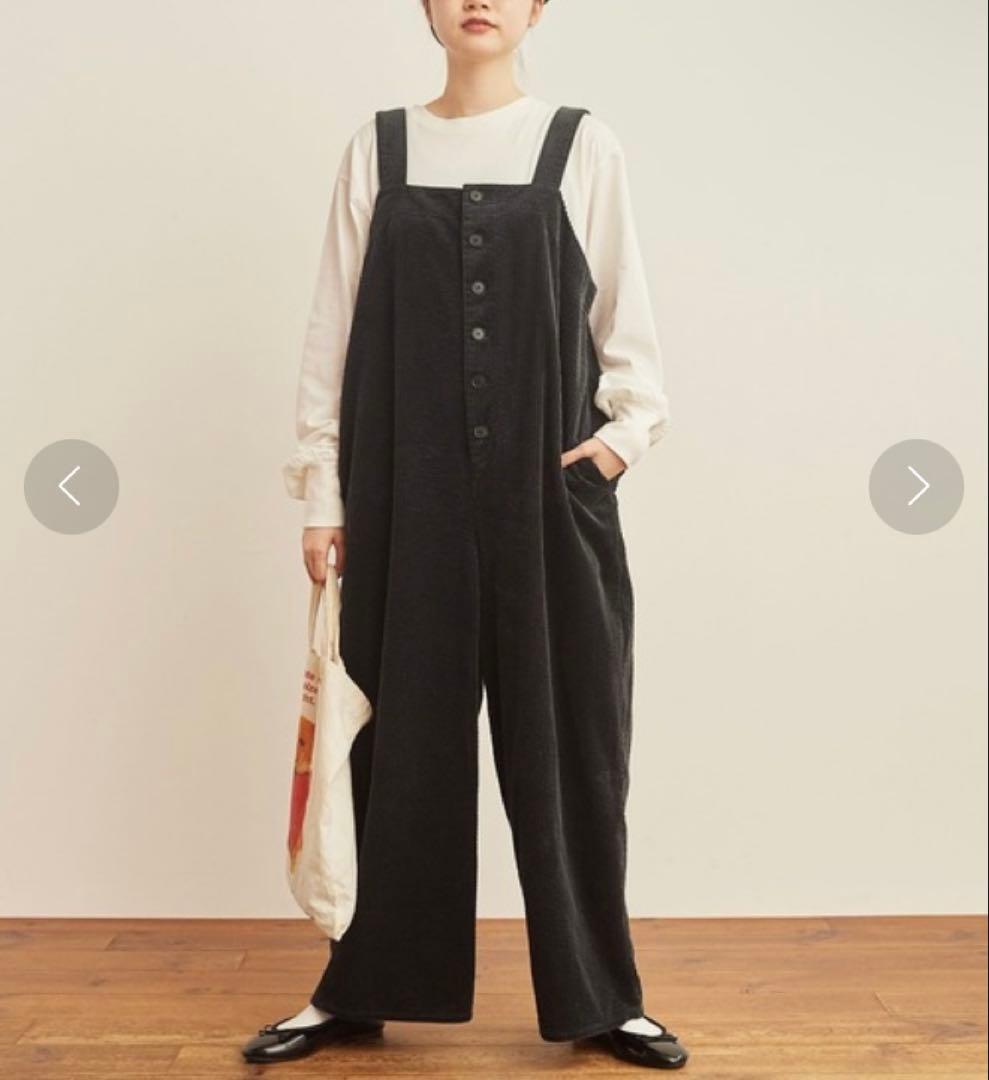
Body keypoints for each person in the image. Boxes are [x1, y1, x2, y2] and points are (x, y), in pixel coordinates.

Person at [243, 0, 689, 1070]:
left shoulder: (581, 144)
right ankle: (359, 985)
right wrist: (323, 495)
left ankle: (602, 996)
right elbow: (331, 329)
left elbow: (626, 323)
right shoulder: (377, 148)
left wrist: (620, 442)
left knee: (572, 751)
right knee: (393, 749)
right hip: (400, 498)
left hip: (550, 502)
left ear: (536, 8)